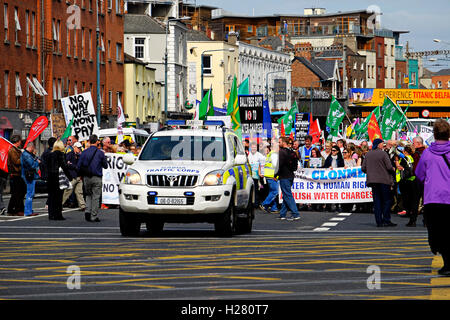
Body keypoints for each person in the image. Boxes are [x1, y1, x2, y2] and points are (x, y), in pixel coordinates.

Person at [415, 119, 450, 276]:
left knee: (436, 232)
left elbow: (419, 174)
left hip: (433, 198)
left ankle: (446, 261)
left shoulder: (428, 153)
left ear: (434, 134)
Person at [361, 138, 397, 228]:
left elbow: (363, 168)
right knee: (386, 201)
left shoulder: (368, 154)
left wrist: (371, 172)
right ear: (378, 145)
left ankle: (379, 222)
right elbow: (389, 167)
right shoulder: (383, 154)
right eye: (382, 144)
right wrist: (393, 170)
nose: (383, 145)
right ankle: (386, 220)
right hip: (384, 180)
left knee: (377, 201)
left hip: (373, 181)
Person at [78, 134, 108, 222]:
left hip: (86, 177)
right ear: (97, 142)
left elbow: (79, 165)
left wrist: (80, 175)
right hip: (97, 177)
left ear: (89, 141)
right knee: (96, 196)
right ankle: (93, 215)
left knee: (88, 194)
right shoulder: (100, 153)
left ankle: (87, 211)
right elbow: (105, 165)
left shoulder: (84, 152)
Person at [46, 140, 71, 220]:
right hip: (58, 177)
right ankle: (58, 214)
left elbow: (45, 166)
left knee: (51, 196)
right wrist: (70, 177)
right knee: (58, 197)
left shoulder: (49, 154)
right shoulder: (61, 154)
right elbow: (64, 166)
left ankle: (51, 214)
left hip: (50, 177)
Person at [396, 145, 420, 227]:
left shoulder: (405, 159)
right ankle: (410, 214)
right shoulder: (411, 157)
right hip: (413, 180)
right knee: (412, 199)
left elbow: (404, 169)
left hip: (406, 181)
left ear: (405, 152)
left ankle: (409, 214)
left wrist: (398, 165)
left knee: (407, 199)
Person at [277, 136, 300, 221]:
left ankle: (295, 214)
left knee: (287, 195)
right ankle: (282, 214)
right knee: (286, 195)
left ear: (283, 143)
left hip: (284, 176)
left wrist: (276, 175)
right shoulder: (292, 152)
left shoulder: (282, 152)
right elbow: (295, 166)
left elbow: (279, 165)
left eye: (279, 142)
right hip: (290, 176)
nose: (278, 144)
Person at [62, 142, 86, 211]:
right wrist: (75, 167)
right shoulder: (70, 154)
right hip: (73, 176)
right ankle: (60, 204)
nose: (79, 149)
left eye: (80, 148)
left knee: (79, 192)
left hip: (79, 176)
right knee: (68, 191)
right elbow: (67, 164)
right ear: (74, 147)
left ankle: (82, 205)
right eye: (78, 148)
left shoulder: (80, 155)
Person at [7, 135, 26, 216]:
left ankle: (17, 209)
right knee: (17, 193)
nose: (20, 143)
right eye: (20, 141)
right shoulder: (12, 150)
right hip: (16, 174)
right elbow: (16, 161)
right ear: (17, 142)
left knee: (19, 192)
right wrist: (22, 155)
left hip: (19, 173)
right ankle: (14, 209)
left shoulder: (16, 150)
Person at [259, 139, 279, 214]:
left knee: (271, 191)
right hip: (272, 175)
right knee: (275, 192)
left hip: (268, 175)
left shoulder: (270, 154)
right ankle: (264, 204)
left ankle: (274, 208)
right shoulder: (274, 154)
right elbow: (276, 166)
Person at [21, 142, 40, 217]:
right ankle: (28, 211)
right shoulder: (26, 155)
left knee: (30, 194)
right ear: (31, 147)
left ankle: (29, 210)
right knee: (30, 194)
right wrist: (37, 162)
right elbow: (32, 165)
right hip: (29, 176)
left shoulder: (26, 154)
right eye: (33, 148)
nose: (33, 150)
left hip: (29, 175)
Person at [248, 141, 265, 207]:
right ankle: (251, 203)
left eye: (255, 147)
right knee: (250, 189)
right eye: (252, 147)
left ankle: (256, 203)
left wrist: (261, 173)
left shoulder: (260, 155)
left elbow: (262, 164)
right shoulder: (248, 154)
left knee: (257, 189)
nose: (253, 149)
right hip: (250, 175)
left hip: (257, 176)